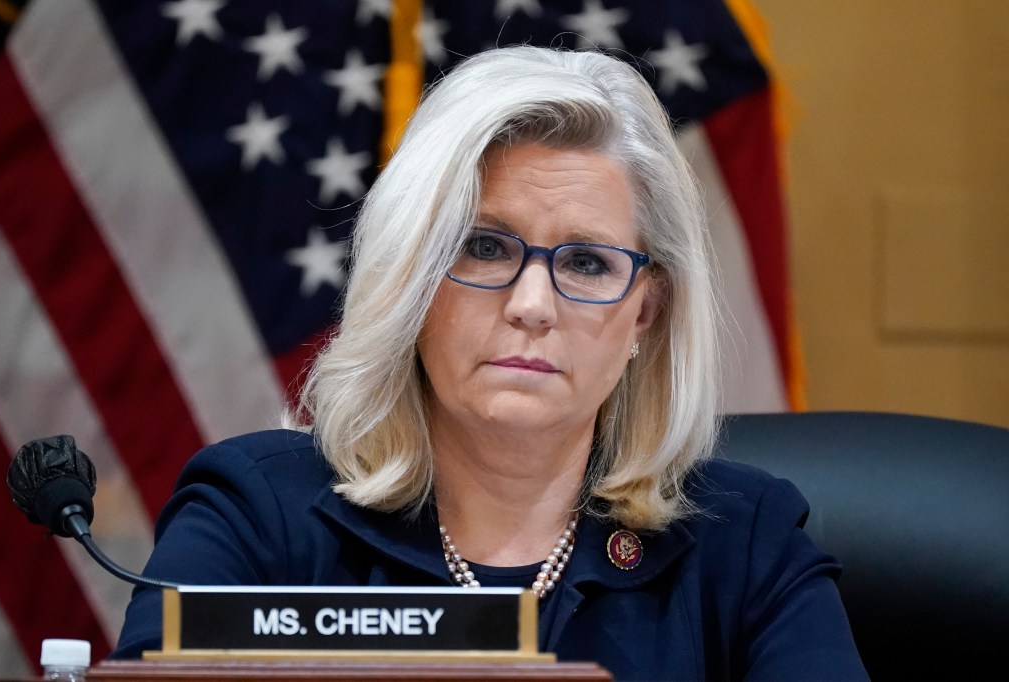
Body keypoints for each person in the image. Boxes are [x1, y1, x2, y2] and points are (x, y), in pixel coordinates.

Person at [112, 46, 867, 680]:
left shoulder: (745, 541)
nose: (533, 304)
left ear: (645, 310)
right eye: (485, 246)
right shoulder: (254, 515)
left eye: (586, 263)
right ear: (411, 278)